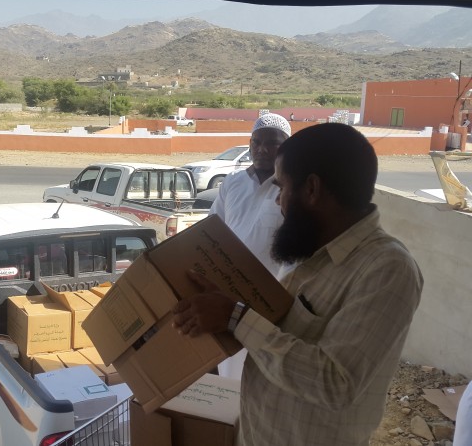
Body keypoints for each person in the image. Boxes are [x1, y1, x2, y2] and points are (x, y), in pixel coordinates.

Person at [173, 123, 423, 446]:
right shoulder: (316, 250)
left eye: (282, 188)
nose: (278, 201)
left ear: (312, 189)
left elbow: (335, 382)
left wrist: (235, 317)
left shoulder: (386, 269)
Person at [209, 112, 291, 379]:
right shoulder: (232, 183)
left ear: (285, 147)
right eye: (256, 142)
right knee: (230, 369)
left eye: (272, 143)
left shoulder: (290, 190)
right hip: (229, 294)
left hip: (271, 300)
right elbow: (212, 230)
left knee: (262, 371)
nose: (262, 149)